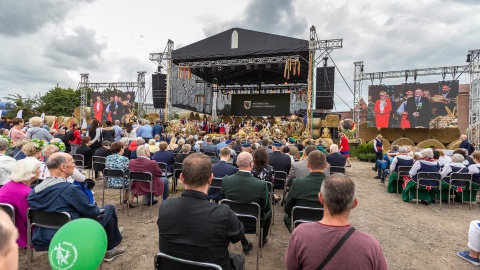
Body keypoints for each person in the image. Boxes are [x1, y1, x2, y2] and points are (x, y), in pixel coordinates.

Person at [27, 152, 127, 261]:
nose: (74, 165)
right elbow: (92, 212)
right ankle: (110, 249)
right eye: (72, 162)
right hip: (73, 230)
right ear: (63, 167)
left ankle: (114, 235)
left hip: (43, 233)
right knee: (109, 209)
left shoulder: (34, 191)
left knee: (105, 214)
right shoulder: (70, 190)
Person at [157, 153, 245, 269]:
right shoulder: (223, 213)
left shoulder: (165, 206)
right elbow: (238, 235)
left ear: (182, 178)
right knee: (239, 260)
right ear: (210, 178)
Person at [285, 173, 388, 269]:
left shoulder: (301, 234)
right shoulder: (371, 245)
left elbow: (291, 266)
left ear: (320, 198)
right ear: (355, 203)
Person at [222, 152, 271, 247]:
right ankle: (262, 239)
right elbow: (266, 208)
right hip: (253, 222)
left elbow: (224, 200)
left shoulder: (226, 181)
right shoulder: (261, 185)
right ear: (251, 164)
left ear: (237, 163)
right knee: (269, 213)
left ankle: (245, 242)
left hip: (232, 220)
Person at [0, 158, 41, 248]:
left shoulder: (8, 185)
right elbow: (30, 218)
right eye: (38, 168)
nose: (40, 171)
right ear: (30, 172)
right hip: (18, 231)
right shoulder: (25, 193)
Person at [283, 150, 328, 232]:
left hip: (301, 224)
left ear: (307, 165)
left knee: (286, 217)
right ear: (326, 165)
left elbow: (287, 209)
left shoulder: (297, 183)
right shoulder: (333, 184)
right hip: (326, 225)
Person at [105, 142, 135, 207]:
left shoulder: (108, 158)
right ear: (121, 149)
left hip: (110, 182)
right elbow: (128, 171)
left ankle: (125, 198)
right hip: (122, 183)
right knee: (133, 179)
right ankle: (130, 199)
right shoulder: (124, 159)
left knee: (125, 176)